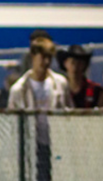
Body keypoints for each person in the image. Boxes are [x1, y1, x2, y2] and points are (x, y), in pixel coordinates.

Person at [8, 36, 72, 181]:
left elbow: (69, 111)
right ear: (33, 57)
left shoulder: (60, 84)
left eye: (49, 57)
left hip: (56, 143)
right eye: (43, 57)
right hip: (31, 145)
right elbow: (12, 122)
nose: (46, 62)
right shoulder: (19, 89)